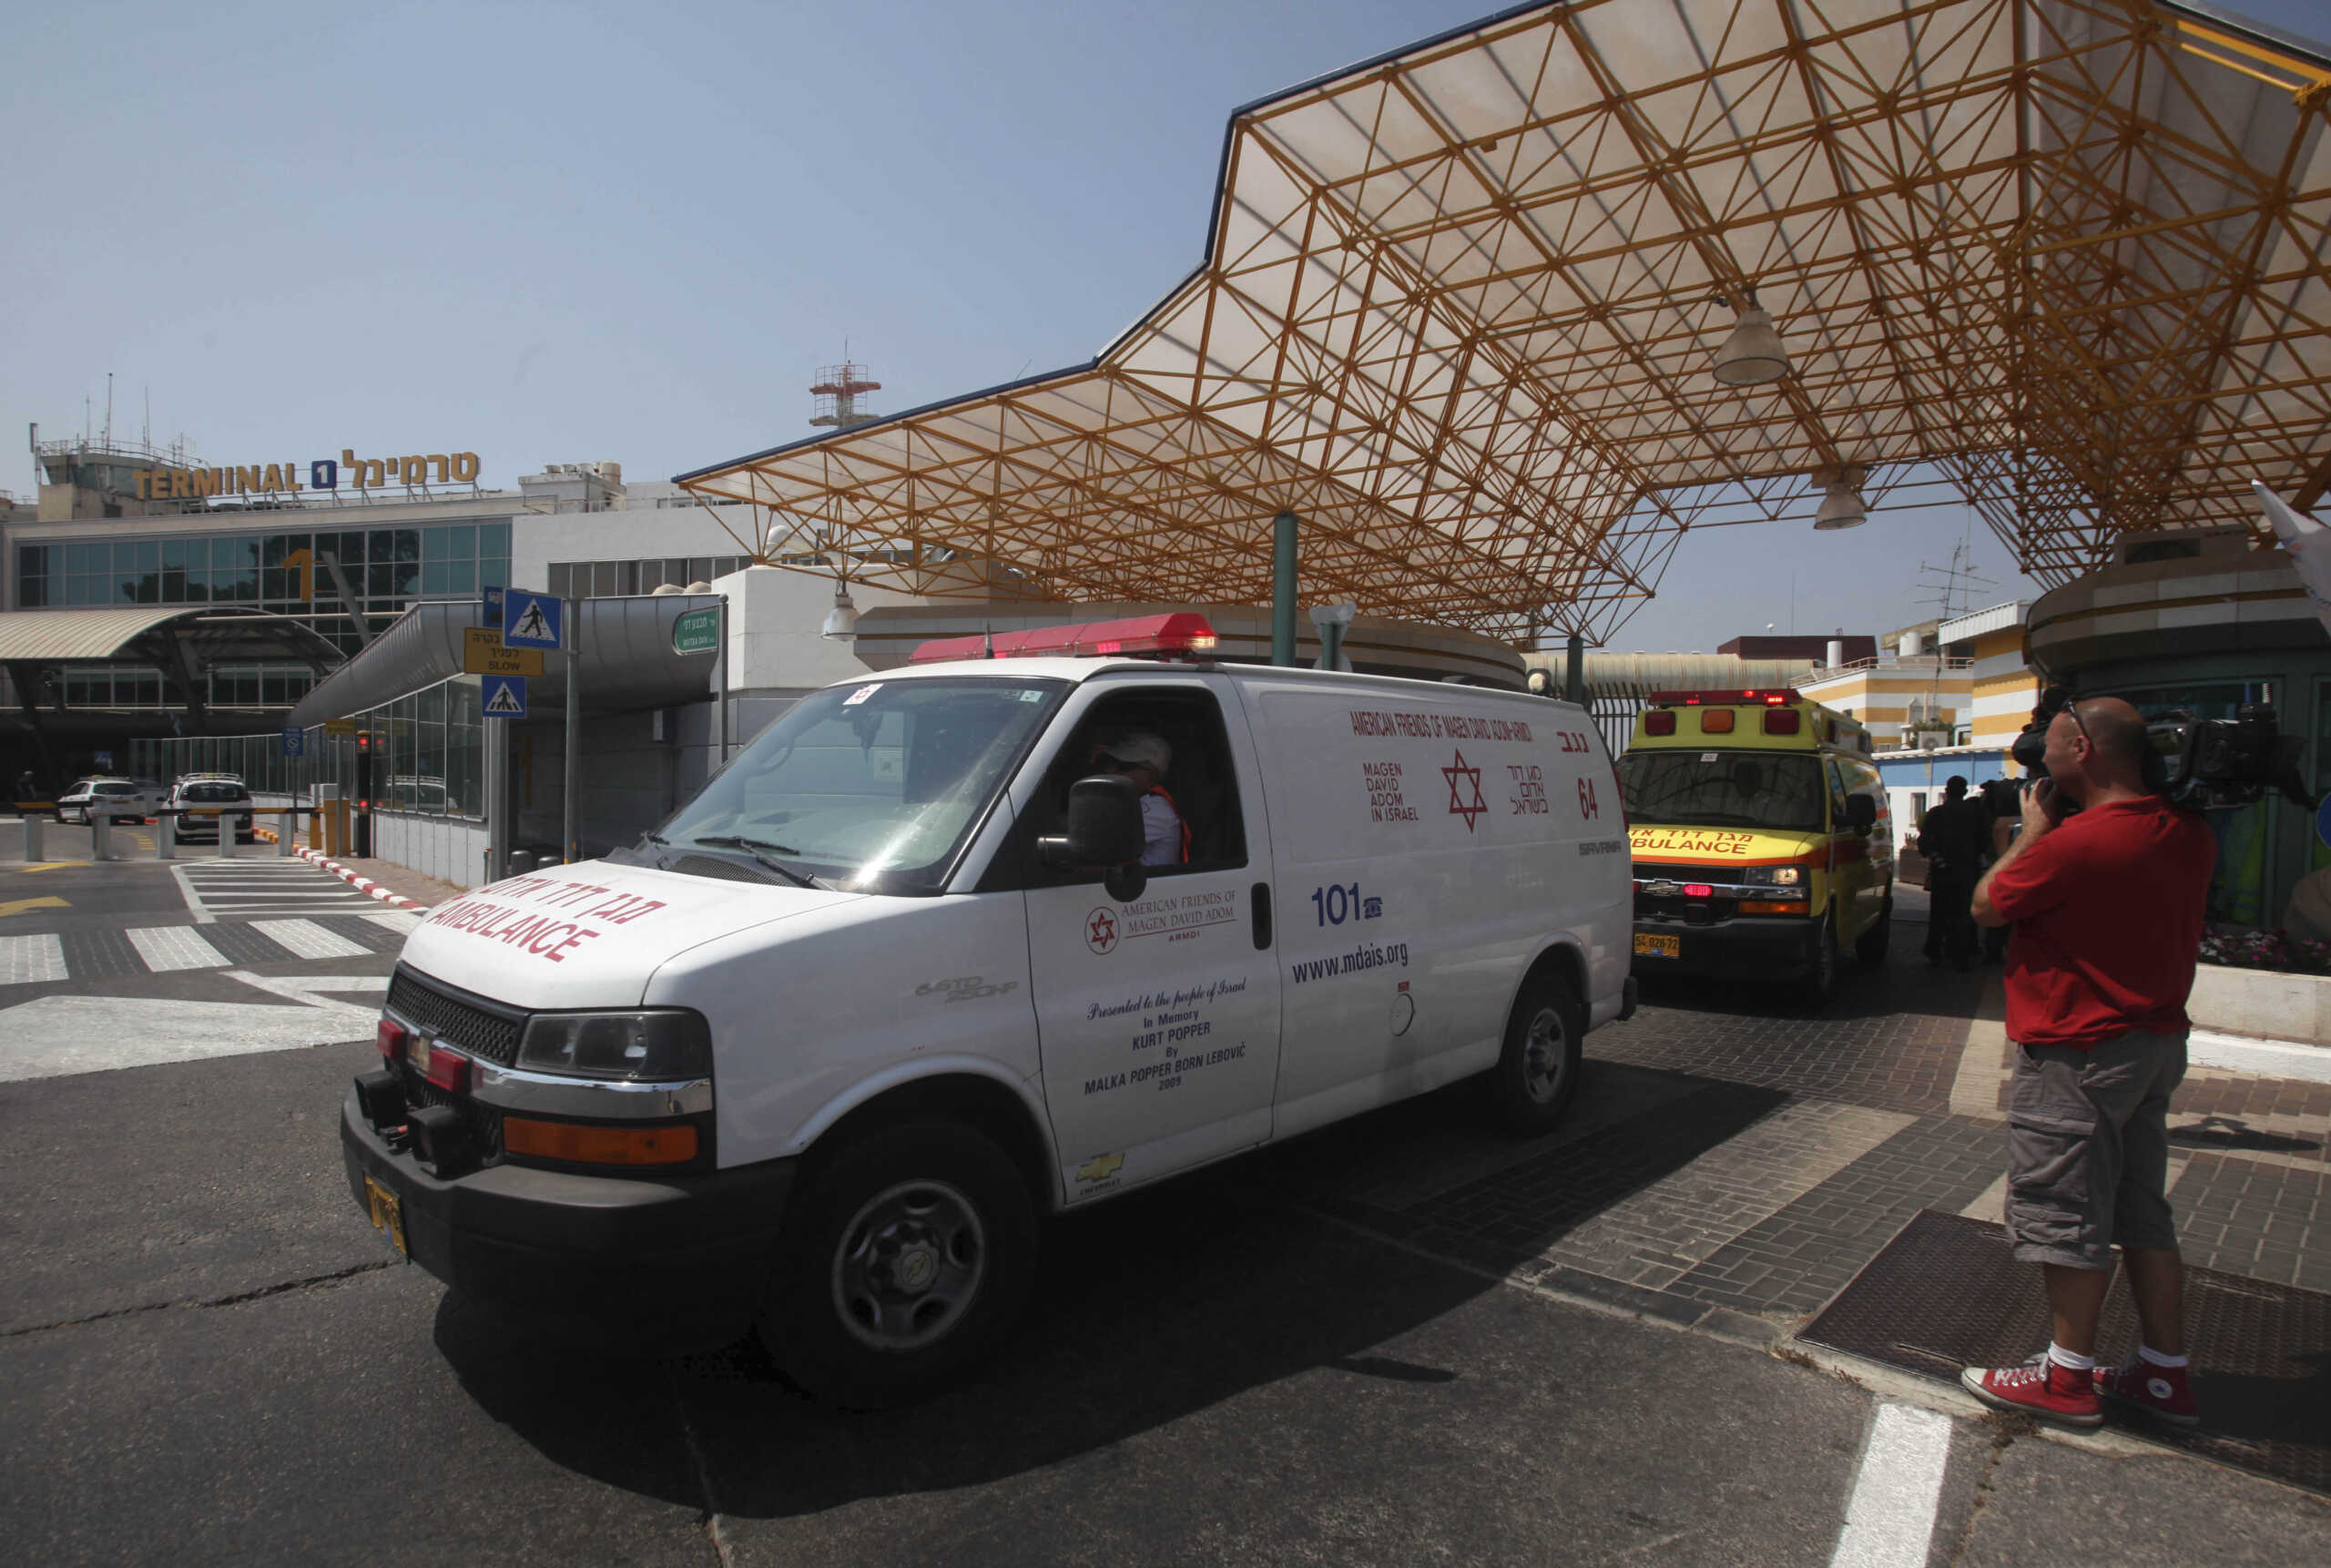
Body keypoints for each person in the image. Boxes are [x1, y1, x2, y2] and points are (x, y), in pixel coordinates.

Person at [1958, 696, 2215, 1430]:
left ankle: (2067, 1379)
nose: (2043, 757)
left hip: (2080, 1055)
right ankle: (2164, 1375)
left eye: (2054, 744)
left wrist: (2031, 834)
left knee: (2066, 1212)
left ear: (2085, 751)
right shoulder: (2188, 833)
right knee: (2142, 1214)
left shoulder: (2076, 845)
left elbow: (1985, 905)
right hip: (2155, 1049)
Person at [1916, 776, 1988, 971]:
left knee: (1939, 913)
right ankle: (1961, 955)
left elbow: (1923, 843)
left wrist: (1936, 857)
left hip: (1942, 871)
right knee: (1963, 914)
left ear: (1947, 791)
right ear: (1964, 792)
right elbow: (1984, 842)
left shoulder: (1936, 814)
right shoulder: (1975, 814)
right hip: (1967, 871)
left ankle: (1934, 951)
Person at [1097, 732, 1188, 867]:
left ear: (1152, 774)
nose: (1110, 770)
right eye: (1110, 763)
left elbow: (1098, 843)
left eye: (1124, 766)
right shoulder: (1131, 799)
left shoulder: (1157, 808)